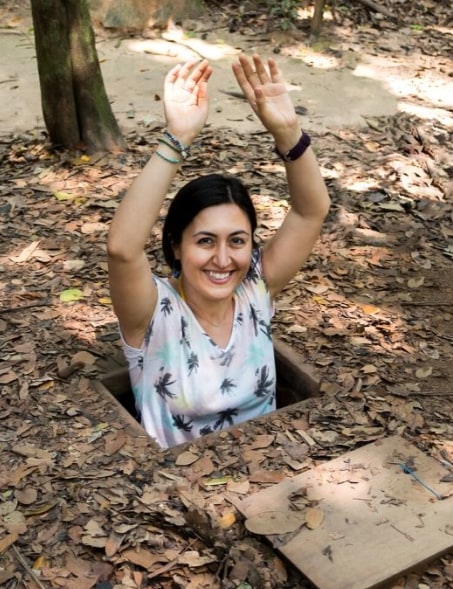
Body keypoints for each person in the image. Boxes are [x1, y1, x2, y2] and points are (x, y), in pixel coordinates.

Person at [107, 54, 330, 449]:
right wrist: (176, 139)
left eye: (237, 241)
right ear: (176, 245)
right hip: (176, 483)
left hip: (272, 469)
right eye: (205, 241)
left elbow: (311, 211)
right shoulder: (153, 313)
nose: (223, 260)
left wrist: (289, 133)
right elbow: (123, 249)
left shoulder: (255, 288)